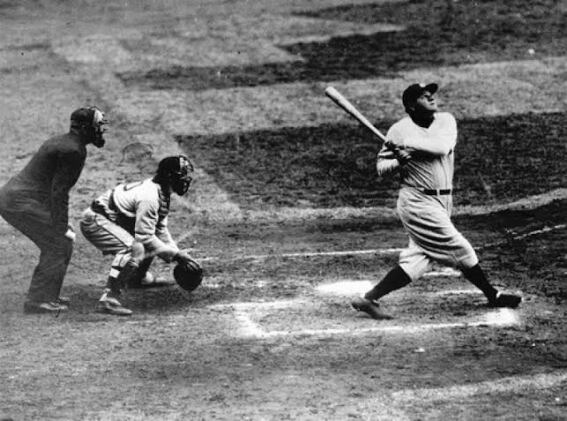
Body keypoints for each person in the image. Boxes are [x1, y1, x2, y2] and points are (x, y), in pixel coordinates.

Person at [351, 83, 522, 319]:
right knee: (461, 248)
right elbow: (381, 168)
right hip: (417, 201)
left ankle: (368, 298)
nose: (431, 97)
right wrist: (399, 161)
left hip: (442, 202)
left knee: (418, 260)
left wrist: (408, 147)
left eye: (430, 94)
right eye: (423, 96)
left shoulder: (445, 121)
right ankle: (492, 295)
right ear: (411, 106)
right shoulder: (398, 131)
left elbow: (442, 147)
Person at [0, 106, 108, 314]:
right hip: (19, 202)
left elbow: (50, 188)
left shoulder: (63, 142)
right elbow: (59, 191)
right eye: (96, 126)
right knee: (59, 242)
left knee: (60, 242)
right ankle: (39, 301)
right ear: (84, 128)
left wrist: (59, 223)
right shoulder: (74, 151)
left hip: (17, 199)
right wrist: (60, 225)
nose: (100, 131)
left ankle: (47, 295)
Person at [80, 154, 199, 316]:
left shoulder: (161, 192)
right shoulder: (150, 197)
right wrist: (177, 256)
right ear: (169, 176)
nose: (185, 180)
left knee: (149, 239)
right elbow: (145, 237)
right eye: (181, 176)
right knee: (135, 248)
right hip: (96, 220)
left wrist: (177, 253)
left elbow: (159, 230)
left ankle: (137, 278)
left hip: (113, 219)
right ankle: (109, 299)